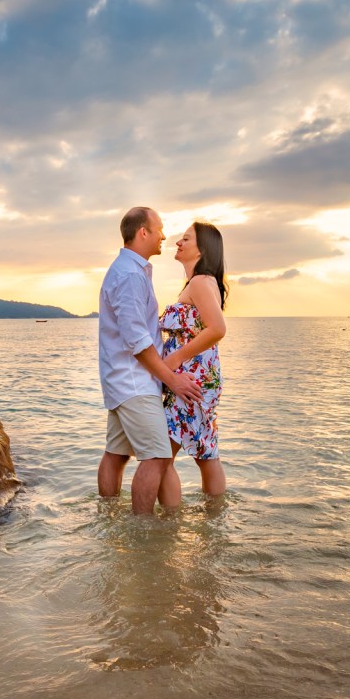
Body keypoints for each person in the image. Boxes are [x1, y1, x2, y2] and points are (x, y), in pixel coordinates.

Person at [97, 207, 203, 515]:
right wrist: (172, 380)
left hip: (122, 379)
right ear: (143, 232)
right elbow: (138, 342)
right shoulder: (130, 275)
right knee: (156, 457)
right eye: (159, 229)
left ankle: (107, 516)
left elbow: (137, 330)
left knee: (116, 454)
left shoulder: (129, 270)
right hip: (134, 381)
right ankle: (142, 530)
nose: (164, 236)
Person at [158, 222, 228, 497]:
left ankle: (168, 527)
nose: (178, 242)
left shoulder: (200, 282)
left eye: (186, 239)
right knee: (206, 452)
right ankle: (214, 521)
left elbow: (218, 329)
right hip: (201, 379)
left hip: (189, 381)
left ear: (202, 250)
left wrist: (173, 360)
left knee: (161, 457)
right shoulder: (202, 282)